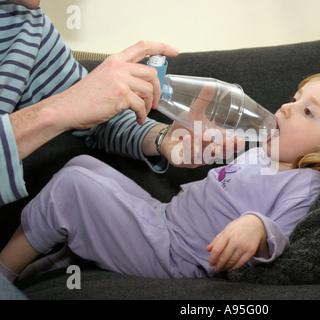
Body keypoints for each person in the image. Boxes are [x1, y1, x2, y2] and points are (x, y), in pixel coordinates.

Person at [0, 72, 320, 282]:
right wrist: (191, 139)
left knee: (73, 188)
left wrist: (256, 226)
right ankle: (43, 263)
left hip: (176, 256)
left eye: (309, 112)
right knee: (81, 167)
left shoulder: (306, 183)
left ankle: (5, 270)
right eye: (295, 98)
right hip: (161, 219)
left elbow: (287, 233)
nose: (287, 108)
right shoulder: (264, 151)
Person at [0, 1, 226, 207]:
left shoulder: (29, 26)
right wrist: (57, 111)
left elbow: (97, 121)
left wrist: (161, 137)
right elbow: (70, 105)